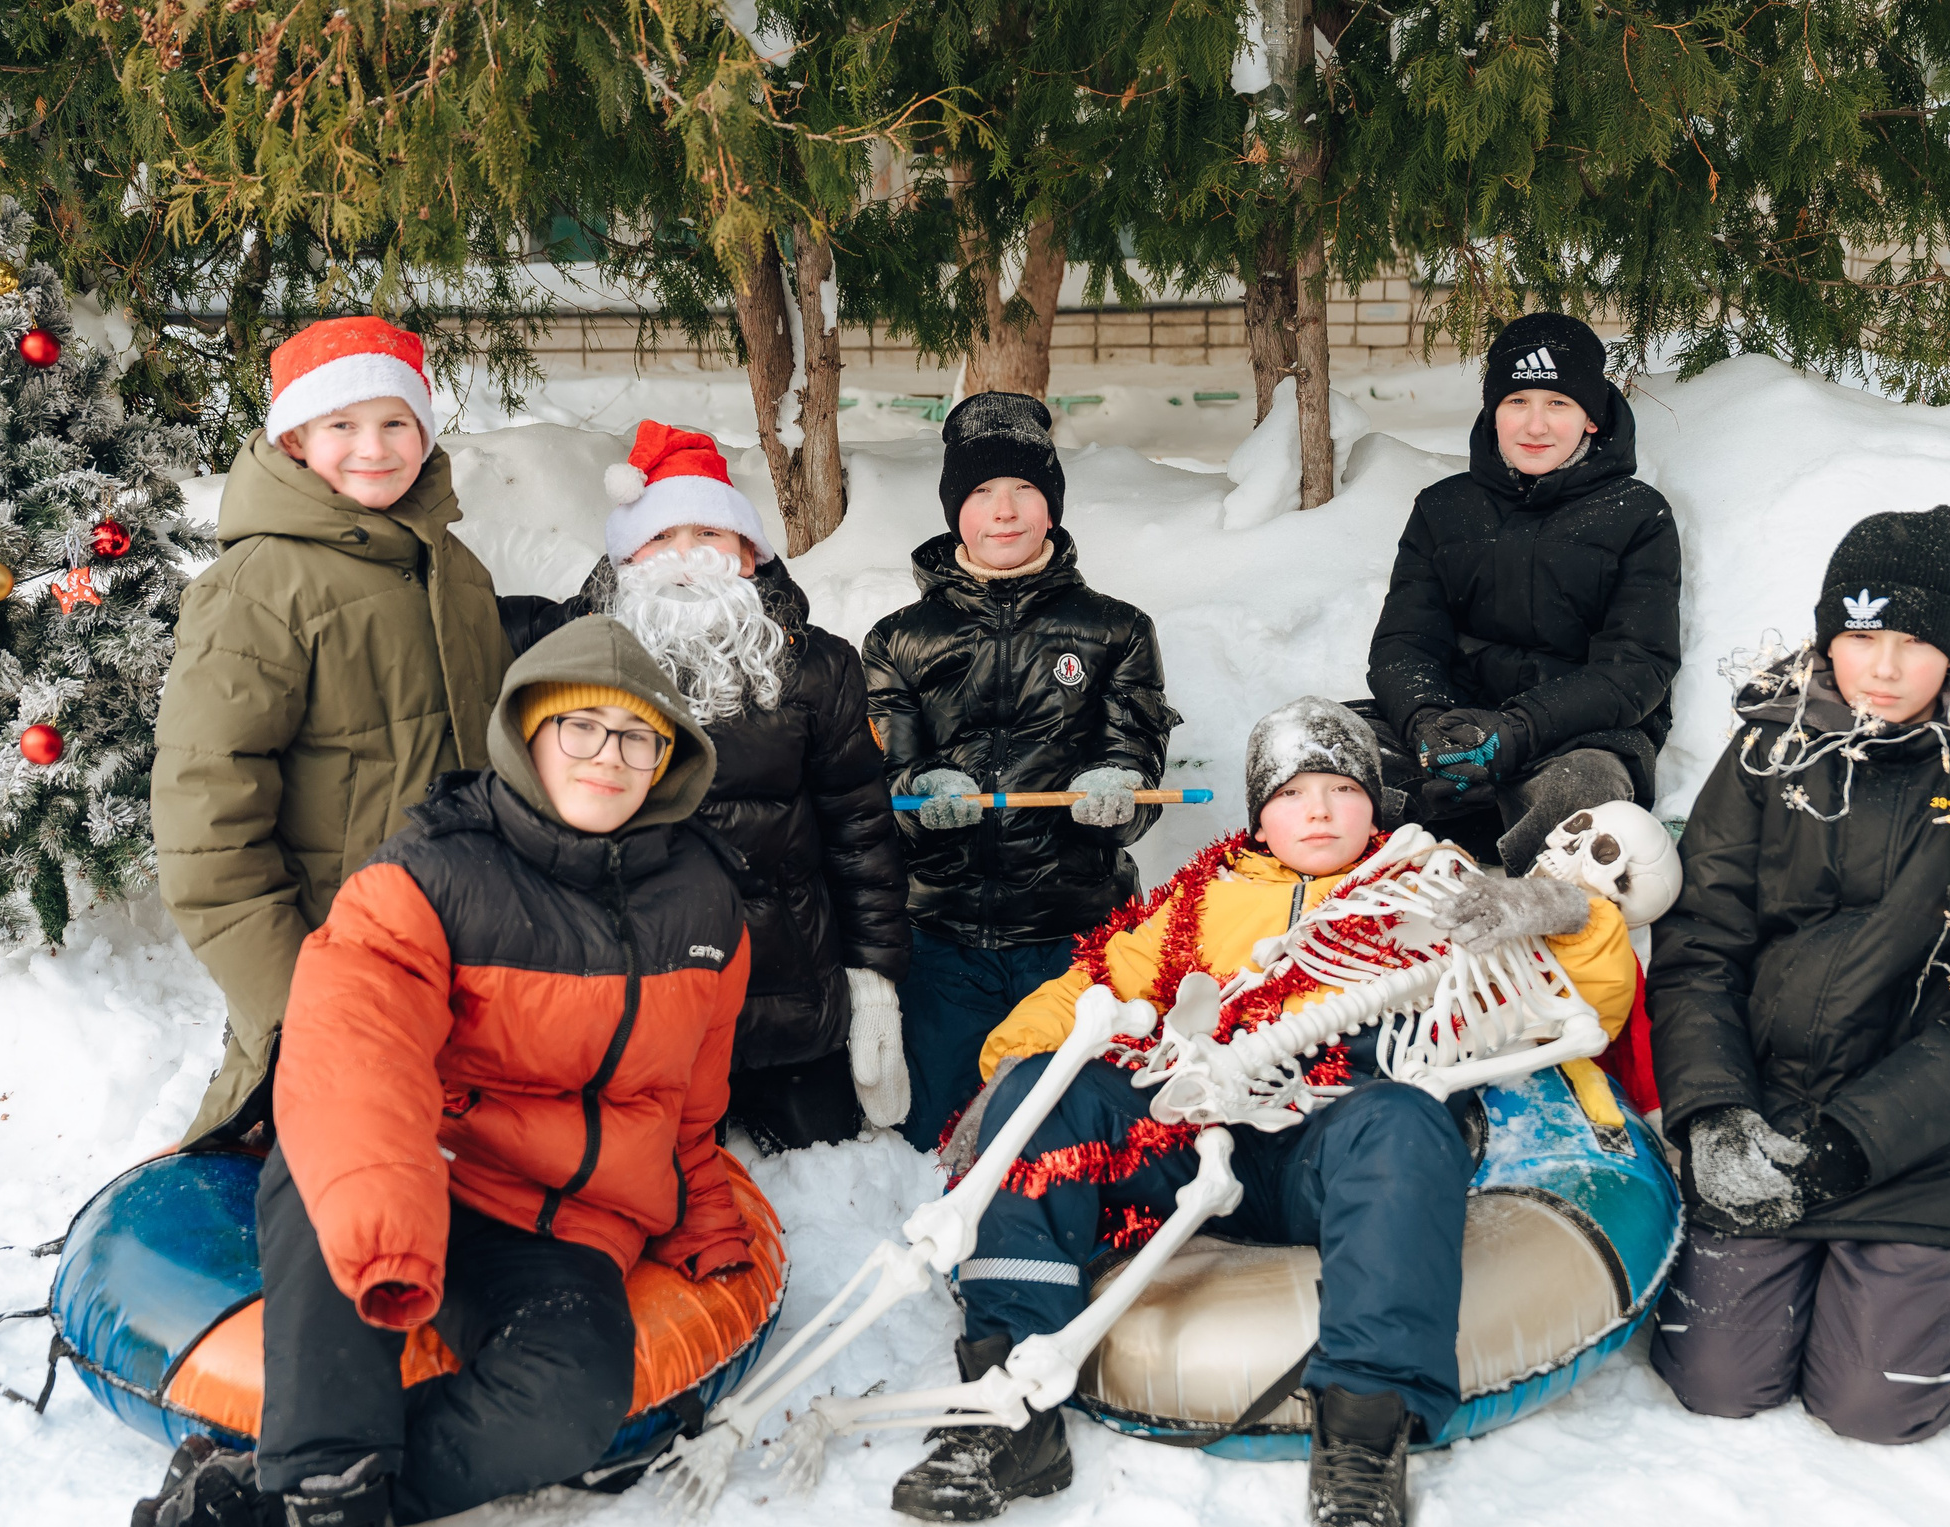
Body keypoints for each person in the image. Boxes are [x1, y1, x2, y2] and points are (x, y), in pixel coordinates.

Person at [128, 617, 757, 1527]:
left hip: (557, 1224)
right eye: (581, 731)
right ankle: (337, 1526)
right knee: (330, 1183)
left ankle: (254, 1498)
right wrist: (388, 1230)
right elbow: (351, 1061)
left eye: (636, 738)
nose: (609, 757)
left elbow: (686, 1103)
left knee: (571, 1401)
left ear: (668, 760)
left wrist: (704, 1212)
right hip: (426, 1166)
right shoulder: (427, 878)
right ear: (524, 737)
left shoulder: (704, 908)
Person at [886, 697, 1638, 1527]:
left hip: (1333, 1137)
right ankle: (1007, 1407)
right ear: (1259, 814)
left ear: (1374, 802)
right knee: (1044, 1091)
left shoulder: (1436, 880)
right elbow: (1090, 985)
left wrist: (1556, 911)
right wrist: (1011, 1077)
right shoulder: (1200, 902)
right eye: (1293, 795)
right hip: (1195, 1127)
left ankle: (1362, 1453)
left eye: (1341, 789)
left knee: (1403, 1124)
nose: (1317, 812)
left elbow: (1593, 995)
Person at [1648, 505, 1950, 1446]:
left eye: (1914, 641)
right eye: (1861, 636)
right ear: (1829, 636)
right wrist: (1715, 1111)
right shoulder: (1766, 755)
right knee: (1715, 1380)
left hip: (1928, 1143)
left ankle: (1904, 1266)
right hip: (1768, 1115)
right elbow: (1701, 944)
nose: (1885, 667)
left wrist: (1861, 1139)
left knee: (1876, 1405)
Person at [153, 317, 515, 1152]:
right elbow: (206, 824)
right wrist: (294, 1002)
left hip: (459, 952)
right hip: (332, 964)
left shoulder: (455, 569)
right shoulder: (258, 588)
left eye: (396, 422)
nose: (374, 447)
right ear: (296, 438)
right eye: (341, 425)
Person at [500, 421, 909, 1151]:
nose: (685, 560)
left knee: (828, 1178)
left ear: (750, 554)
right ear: (624, 557)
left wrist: (874, 982)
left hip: (789, 999)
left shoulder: (820, 669)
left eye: (710, 535)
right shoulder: (570, 659)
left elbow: (861, 833)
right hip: (646, 1004)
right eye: (659, 538)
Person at [863, 392, 1180, 1152]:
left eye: (1024, 490)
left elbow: (1138, 765)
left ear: (1052, 505)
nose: (1003, 510)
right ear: (954, 510)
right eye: (980, 492)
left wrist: (1121, 790)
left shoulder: (1117, 630)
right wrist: (916, 795)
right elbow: (885, 777)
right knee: (933, 1143)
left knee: (1066, 1140)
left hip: (1071, 935)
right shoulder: (897, 641)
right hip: (941, 937)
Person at [1364, 312, 1682, 876]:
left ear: (1591, 417)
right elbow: (1404, 644)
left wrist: (1518, 730)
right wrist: (1426, 726)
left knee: (1585, 790)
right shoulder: (1443, 508)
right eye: (1517, 402)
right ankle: (1387, 879)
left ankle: (1521, 896)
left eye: (1557, 403)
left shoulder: (1637, 514)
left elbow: (1638, 667)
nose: (1535, 426)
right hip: (1454, 728)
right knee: (1320, 743)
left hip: (1573, 738)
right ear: (1493, 411)